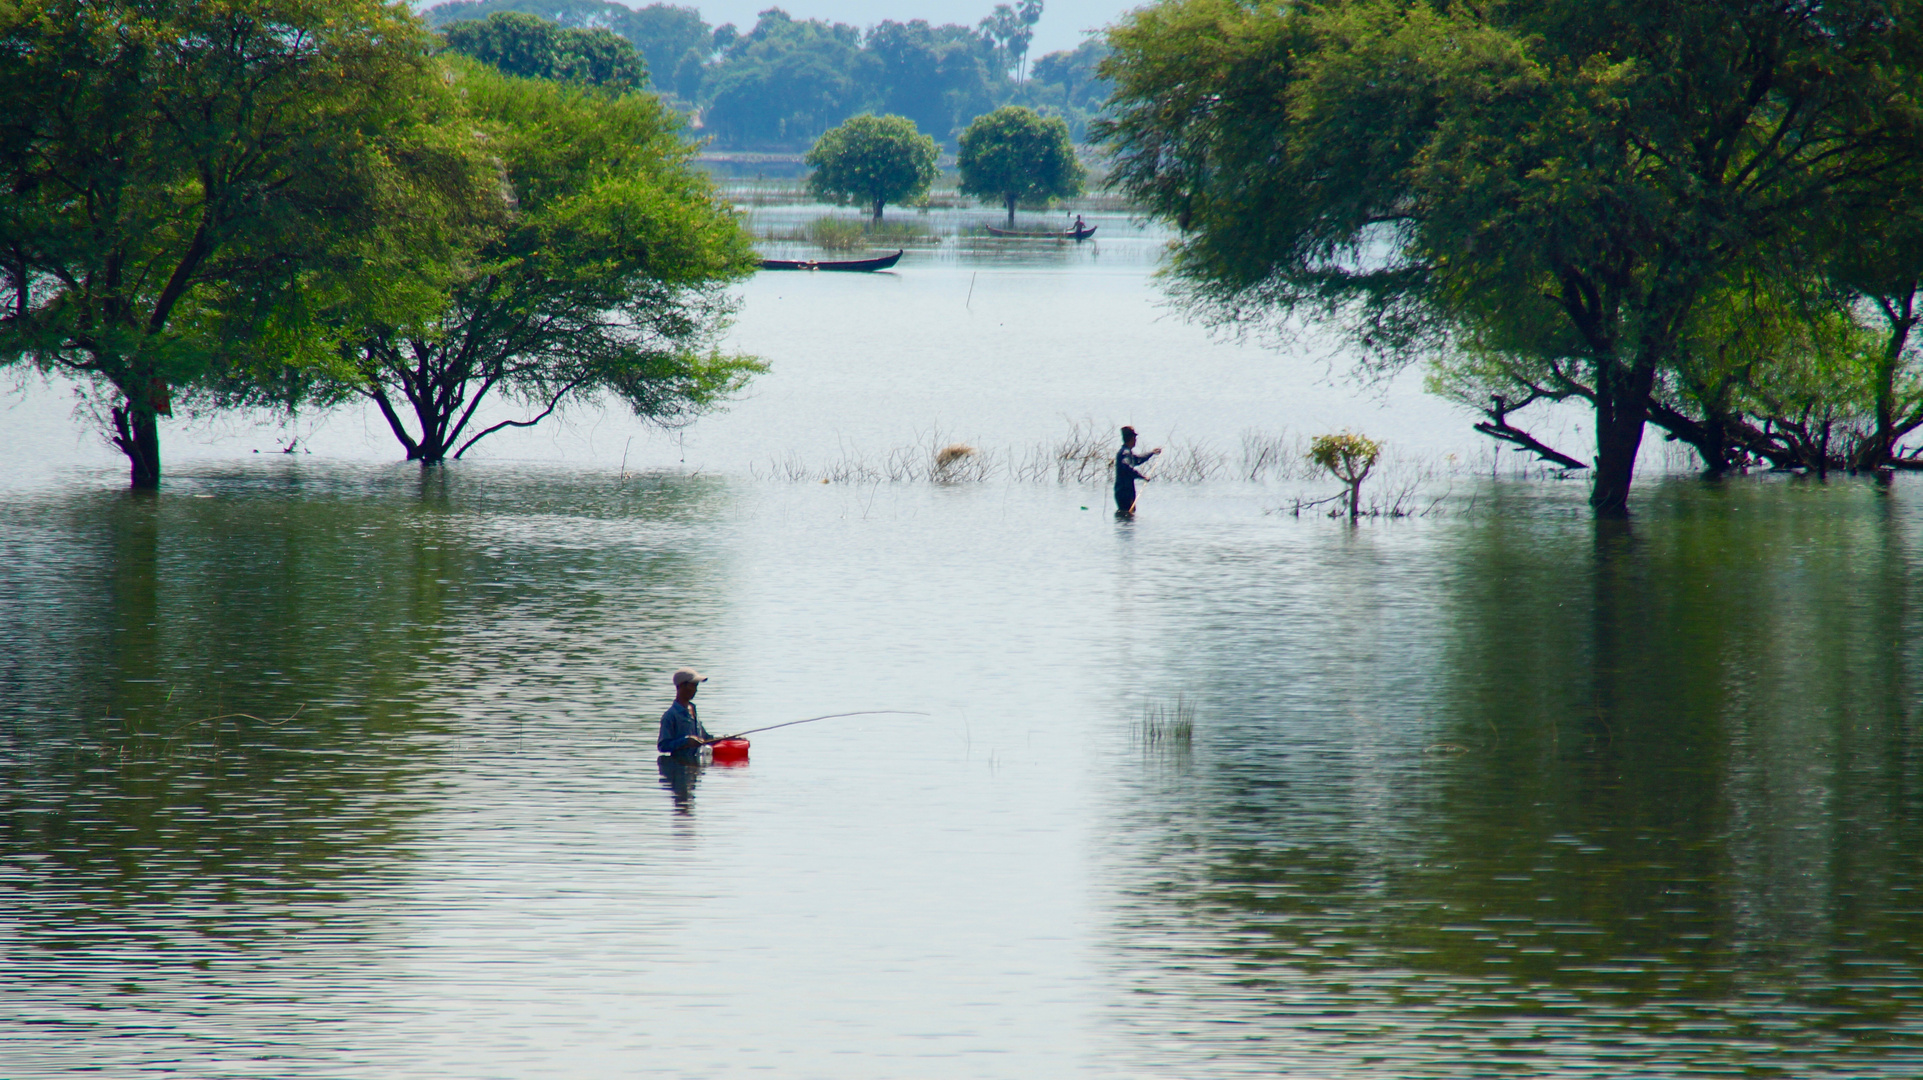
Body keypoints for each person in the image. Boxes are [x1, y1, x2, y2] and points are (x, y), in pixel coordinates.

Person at [658, 668, 713, 757]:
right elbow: (663, 746)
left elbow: (706, 738)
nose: (696, 690)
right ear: (682, 686)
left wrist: (729, 737)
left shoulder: (693, 710)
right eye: (693, 686)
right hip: (678, 768)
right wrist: (686, 741)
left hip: (696, 768)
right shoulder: (670, 715)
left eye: (696, 686)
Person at [1114, 426, 1162, 516]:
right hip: (1124, 493)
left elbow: (1138, 459)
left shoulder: (1125, 452)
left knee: (1128, 516)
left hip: (1122, 493)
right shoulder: (1125, 453)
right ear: (1132, 438)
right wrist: (1142, 477)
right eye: (1135, 438)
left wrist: (1151, 453)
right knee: (1127, 515)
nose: (1136, 440)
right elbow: (1127, 467)